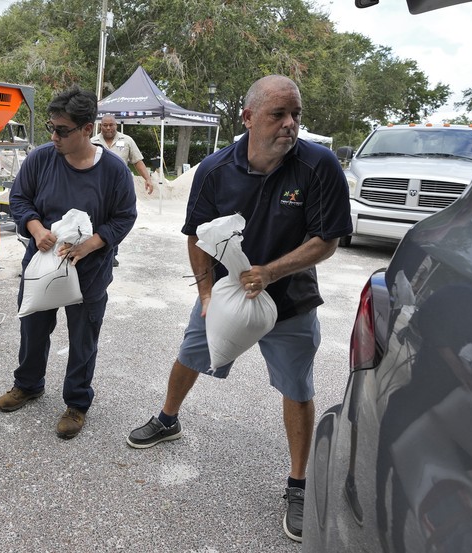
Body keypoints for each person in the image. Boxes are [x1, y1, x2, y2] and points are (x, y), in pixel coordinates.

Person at [124, 75, 352, 542]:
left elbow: (325, 241)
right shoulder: (214, 169)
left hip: (289, 301)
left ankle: (298, 484)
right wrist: (207, 295)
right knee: (191, 353)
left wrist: (270, 272)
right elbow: (197, 235)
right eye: (278, 115)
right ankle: (168, 419)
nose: (290, 124)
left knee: (297, 387)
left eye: (296, 115)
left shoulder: (318, 165)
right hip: (226, 293)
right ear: (248, 118)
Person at [0, 86, 137, 439]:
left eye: (63, 130)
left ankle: (77, 403)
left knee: (83, 336)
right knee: (33, 328)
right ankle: (28, 384)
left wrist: (92, 244)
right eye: (51, 128)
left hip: (89, 271)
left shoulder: (114, 171)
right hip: (42, 266)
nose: (54, 136)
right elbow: (20, 198)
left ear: (87, 129)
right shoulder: (41, 159)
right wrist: (35, 226)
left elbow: (124, 216)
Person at [91, 113, 154, 267]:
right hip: (97, 187)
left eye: (111, 125)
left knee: (116, 220)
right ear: (100, 126)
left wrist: (148, 178)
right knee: (99, 218)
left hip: (119, 189)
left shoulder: (127, 141)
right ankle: (98, 249)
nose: (108, 128)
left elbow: (137, 161)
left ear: (116, 125)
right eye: (105, 125)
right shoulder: (92, 141)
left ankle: (112, 252)